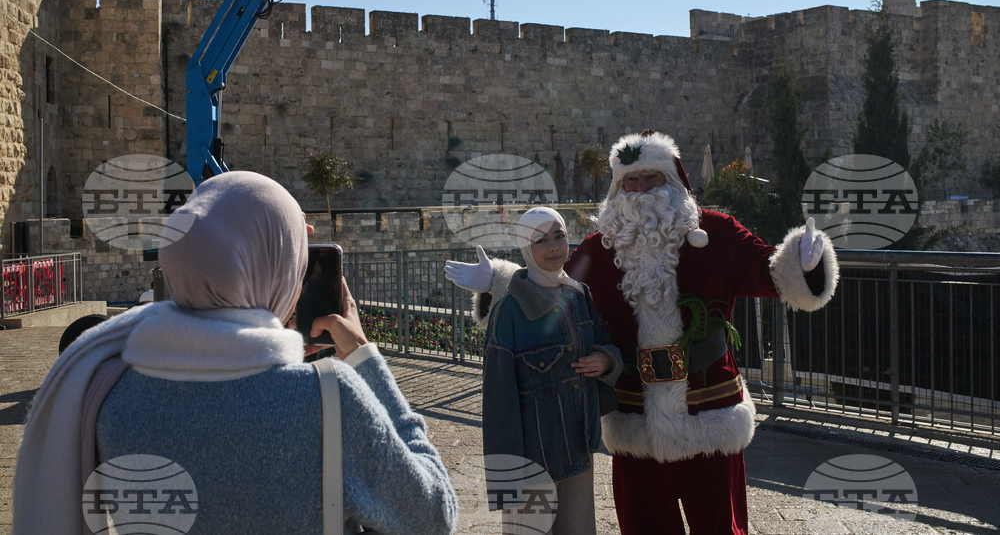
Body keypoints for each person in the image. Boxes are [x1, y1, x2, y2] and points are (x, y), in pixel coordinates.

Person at [12, 171, 458, 535]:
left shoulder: (109, 395)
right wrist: (365, 361)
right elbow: (433, 515)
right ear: (278, 273)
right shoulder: (328, 399)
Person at [446, 130, 839, 535]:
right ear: (616, 188)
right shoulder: (599, 249)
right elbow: (550, 290)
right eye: (630, 181)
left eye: (651, 178)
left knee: (720, 527)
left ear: (674, 180)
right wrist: (497, 281)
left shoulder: (718, 233)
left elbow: (769, 275)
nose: (641, 189)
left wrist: (804, 263)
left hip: (708, 411)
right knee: (645, 527)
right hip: (634, 417)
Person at [476, 207, 622, 535]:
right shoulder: (509, 312)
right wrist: (507, 483)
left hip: (578, 449)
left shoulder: (578, 295)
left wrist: (605, 360)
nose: (554, 246)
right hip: (533, 461)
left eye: (559, 236)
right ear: (526, 250)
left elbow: (604, 343)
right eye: (541, 241)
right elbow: (498, 404)